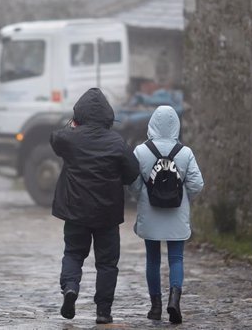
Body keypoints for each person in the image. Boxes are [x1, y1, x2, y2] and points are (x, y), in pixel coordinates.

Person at [50, 87, 139, 324]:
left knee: (73, 253)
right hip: (107, 215)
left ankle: (70, 288)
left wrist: (73, 126)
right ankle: (103, 311)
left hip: (75, 211)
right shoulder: (117, 142)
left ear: (79, 114)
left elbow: (55, 138)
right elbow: (132, 173)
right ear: (108, 115)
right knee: (107, 263)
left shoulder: (69, 139)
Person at [129, 105, 204, 324]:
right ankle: (175, 300)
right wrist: (184, 199)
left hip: (150, 213)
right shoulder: (185, 153)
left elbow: (132, 184)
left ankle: (155, 307)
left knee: (152, 260)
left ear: (152, 123)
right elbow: (197, 184)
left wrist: (142, 196)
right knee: (176, 258)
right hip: (176, 213)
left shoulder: (141, 151)